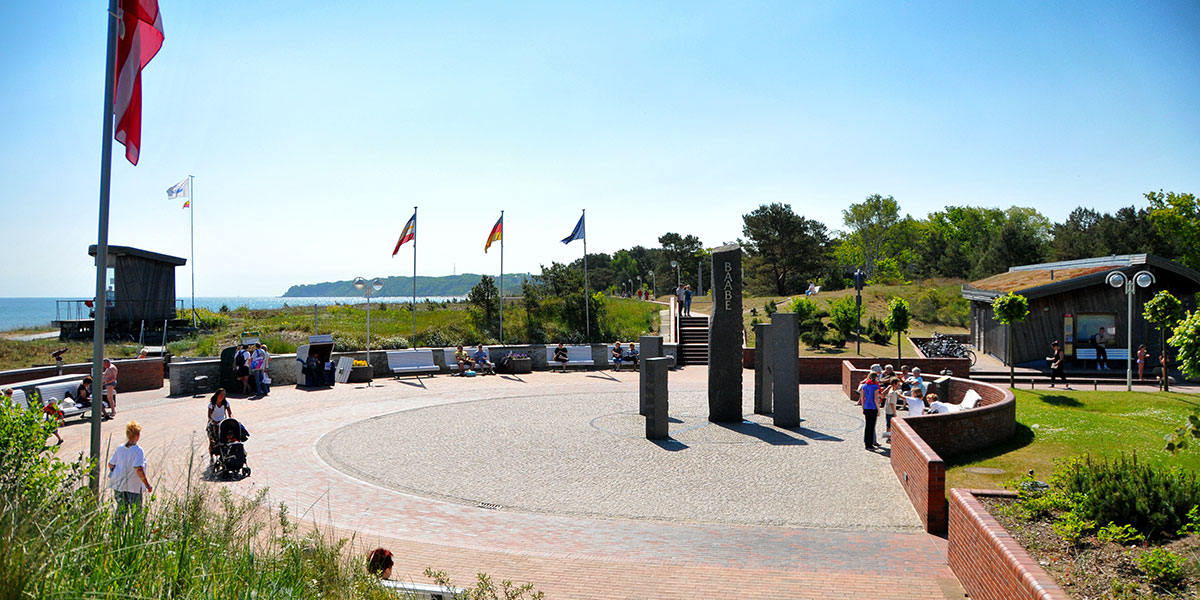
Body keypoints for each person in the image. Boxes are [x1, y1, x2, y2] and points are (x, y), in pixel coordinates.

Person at [108, 420, 152, 515]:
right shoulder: (138, 450)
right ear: (137, 435)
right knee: (136, 514)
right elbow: (138, 468)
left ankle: (118, 529)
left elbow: (110, 464)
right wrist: (147, 485)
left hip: (119, 485)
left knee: (120, 511)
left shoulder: (119, 448)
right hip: (134, 486)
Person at [856, 372, 881, 450]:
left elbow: (862, 398)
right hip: (873, 408)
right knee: (872, 426)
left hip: (866, 407)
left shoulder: (864, 386)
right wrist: (879, 409)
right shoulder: (875, 386)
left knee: (867, 426)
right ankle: (870, 445)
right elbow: (875, 399)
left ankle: (867, 443)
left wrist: (863, 408)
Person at [207, 388, 232, 458]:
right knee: (212, 441)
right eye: (221, 394)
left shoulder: (226, 403)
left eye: (224, 394)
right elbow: (209, 416)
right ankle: (211, 456)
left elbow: (230, 413)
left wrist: (231, 418)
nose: (222, 396)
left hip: (223, 422)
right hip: (213, 423)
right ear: (217, 395)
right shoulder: (211, 404)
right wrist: (213, 422)